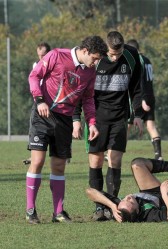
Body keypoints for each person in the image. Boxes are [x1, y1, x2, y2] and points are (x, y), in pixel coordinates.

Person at [25, 36, 108, 224]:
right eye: (94, 58)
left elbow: (88, 99)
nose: (96, 63)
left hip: (64, 120)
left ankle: (58, 212)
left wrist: (92, 122)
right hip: (43, 114)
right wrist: (39, 100)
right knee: (37, 161)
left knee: (59, 166)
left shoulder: (90, 71)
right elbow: (34, 76)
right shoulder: (57, 55)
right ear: (85, 51)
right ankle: (31, 210)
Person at [72, 31, 144, 221]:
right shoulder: (96, 59)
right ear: (106, 49)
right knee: (95, 162)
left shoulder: (131, 56)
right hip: (96, 119)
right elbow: (81, 90)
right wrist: (76, 119)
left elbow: (136, 87)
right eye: (111, 54)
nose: (114, 58)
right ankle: (99, 208)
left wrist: (138, 115)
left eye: (117, 54)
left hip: (119, 117)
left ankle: (113, 206)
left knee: (115, 160)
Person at [85, 150, 168, 222]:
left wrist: (112, 205)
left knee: (137, 164)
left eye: (124, 199)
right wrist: (165, 195)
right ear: (138, 210)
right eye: (130, 201)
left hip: (153, 192)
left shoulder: (119, 206)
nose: (128, 197)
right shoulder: (149, 215)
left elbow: (90, 191)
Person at [126, 39, 163, 160]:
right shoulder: (147, 60)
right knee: (151, 126)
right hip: (150, 95)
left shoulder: (137, 61)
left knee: (127, 125)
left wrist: (142, 99)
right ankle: (158, 155)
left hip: (141, 98)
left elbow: (140, 80)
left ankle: (116, 150)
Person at [23, 42, 52, 166]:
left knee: (60, 130)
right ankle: (33, 155)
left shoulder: (54, 66)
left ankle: (65, 154)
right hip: (39, 104)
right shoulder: (36, 65)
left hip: (53, 104)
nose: (41, 58)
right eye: (39, 55)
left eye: (44, 55)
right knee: (34, 129)